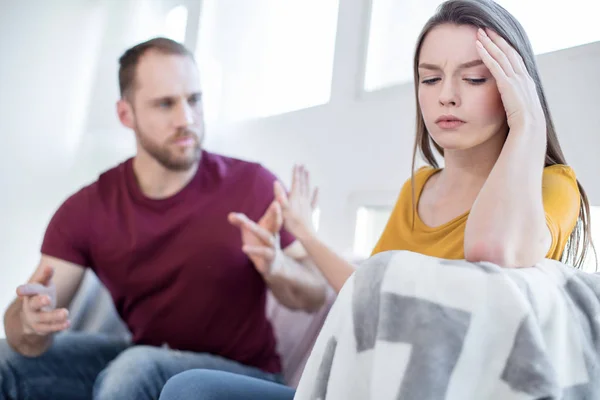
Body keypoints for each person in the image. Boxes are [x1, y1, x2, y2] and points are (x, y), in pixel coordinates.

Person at [158, 0, 593, 398]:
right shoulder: (419, 189)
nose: (446, 95)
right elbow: (367, 293)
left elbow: (491, 253)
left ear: (515, 86)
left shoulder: (554, 187)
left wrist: (528, 124)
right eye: (430, 77)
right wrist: (305, 235)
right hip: (372, 386)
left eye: (475, 77)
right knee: (189, 388)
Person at [0, 37, 327, 400]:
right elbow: (23, 324)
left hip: (243, 375)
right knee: (6, 360)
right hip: (146, 356)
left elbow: (315, 295)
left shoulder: (253, 184)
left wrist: (276, 266)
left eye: (194, 100)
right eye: (165, 104)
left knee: (135, 368)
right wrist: (29, 322)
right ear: (126, 114)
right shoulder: (86, 210)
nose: (186, 119)